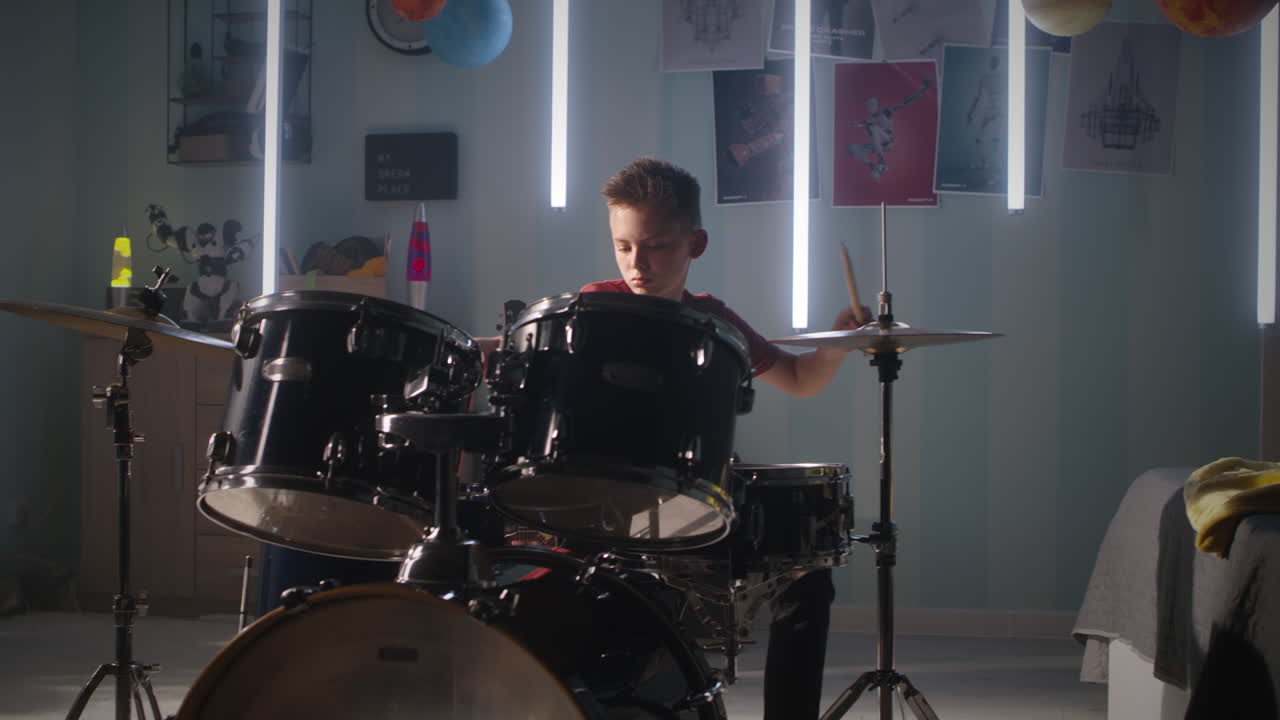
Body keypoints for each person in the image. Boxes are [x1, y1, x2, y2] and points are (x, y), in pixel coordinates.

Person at [580, 156, 864, 720]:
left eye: (656, 245)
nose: (637, 263)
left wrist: (838, 345)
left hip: (697, 494)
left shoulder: (714, 318)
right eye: (624, 246)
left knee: (805, 571)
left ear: (696, 243)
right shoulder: (596, 305)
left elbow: (802, 379)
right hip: (605, 503)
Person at [847, 77, 931, 182]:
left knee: (872, 127)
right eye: (869, 105)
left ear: (877, 105)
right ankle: (873, 166)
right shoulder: (868, 119)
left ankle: (882, 162)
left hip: (887, 142)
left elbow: (905, 102)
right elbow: (862, 123)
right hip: (875, 145)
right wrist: (855, 123)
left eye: (873, 104)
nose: (870, 106)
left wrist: (922, 90)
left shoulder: (886, 112)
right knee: (851, 147)